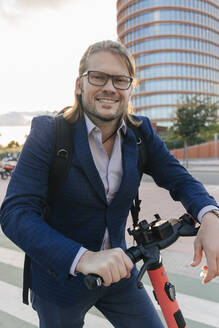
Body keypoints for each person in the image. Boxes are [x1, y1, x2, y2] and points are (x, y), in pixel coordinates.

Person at [0, 40, 219, 328]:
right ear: (79, 84)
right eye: (98, 77)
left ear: (131, 88)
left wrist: (210, 216)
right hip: (60, 280)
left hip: (121, 271)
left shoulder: (142, 133)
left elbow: (179, 178)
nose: (109, 87)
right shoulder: (48, 132)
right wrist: (83, 258)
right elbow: (15, 213)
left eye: (120, 80)